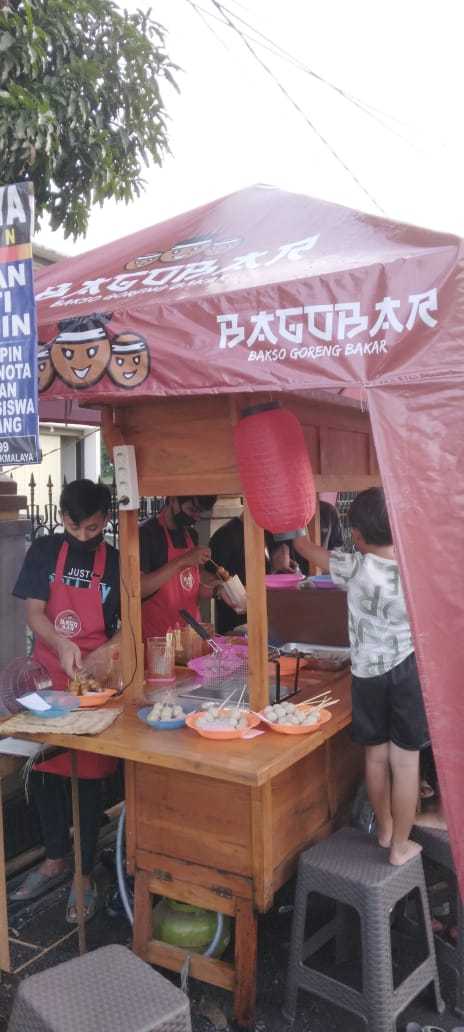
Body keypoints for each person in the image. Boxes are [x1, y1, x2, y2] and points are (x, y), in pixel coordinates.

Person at [294, 487, 429, 867]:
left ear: (356, 536)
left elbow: (307, 551)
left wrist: (290, 527)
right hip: (407, 671)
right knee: (405, 762)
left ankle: (384, 828)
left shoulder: (353, 566)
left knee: (374, 757)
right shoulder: (416, 566)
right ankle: (400, 845)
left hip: (367, 673)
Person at [10, 479, 121, 920]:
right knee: (44, 770)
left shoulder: (115, 560)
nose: (81, 537)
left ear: (105, 520)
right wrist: (59, 643)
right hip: (46, 676)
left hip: (95, 680)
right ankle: (54, 857)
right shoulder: (44, 551)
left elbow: (127, 626)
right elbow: (35, 612)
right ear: (62, 518)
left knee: (88, 776)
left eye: (92, 529)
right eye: (73, 528)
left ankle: (85, 874)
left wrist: (103, 653)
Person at [139, 496, 217, 639]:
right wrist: (183, 561)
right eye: (192, 510)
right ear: (173, 500)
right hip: (158, 639)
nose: (196, 517)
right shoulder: (146, 534)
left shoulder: (191, 535)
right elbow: (139, 589)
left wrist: (216, 587)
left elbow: (192, 587)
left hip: (191, 635)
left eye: (199, 512)